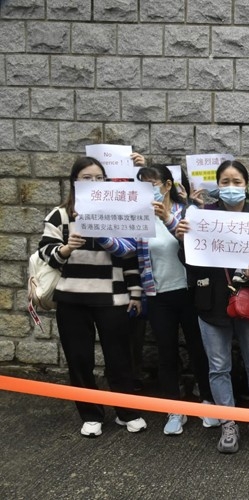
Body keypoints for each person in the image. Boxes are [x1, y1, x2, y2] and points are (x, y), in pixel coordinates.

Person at [97, 164, 218, 435]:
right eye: (141, 184)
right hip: (158, 295)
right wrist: (100, 233)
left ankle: (208, 402)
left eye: (152, 183)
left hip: (189, 292)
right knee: (166, 352)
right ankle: (174, 409)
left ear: (167, 185)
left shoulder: (188, 212)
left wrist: (167, 219)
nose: (147, 189)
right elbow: (124, 249)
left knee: (199, 349)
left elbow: (195, 243)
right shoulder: (139, 218)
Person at [175, 160, 249, 454]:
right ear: (217, 186)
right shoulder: (201, 217)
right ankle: (228, 422)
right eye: (225, 182)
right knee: (219, 366)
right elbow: (189, 262)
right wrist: (183, 239)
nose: (231, 187)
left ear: (246, 185)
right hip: (211, 302)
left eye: (237, 182)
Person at [38, 156, 147, 437]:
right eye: (87, 178)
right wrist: (66, 249)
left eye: (99, 178)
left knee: (120, 357)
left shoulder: (118, 213)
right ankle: (90, 414)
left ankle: (127, 411)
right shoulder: (61, 215)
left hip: (112, 298)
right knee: (79, 358)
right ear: (75, 181)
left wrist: (135, 293)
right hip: (72, 299)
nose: (94, 182)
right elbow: (45, 253)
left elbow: (130, 256)